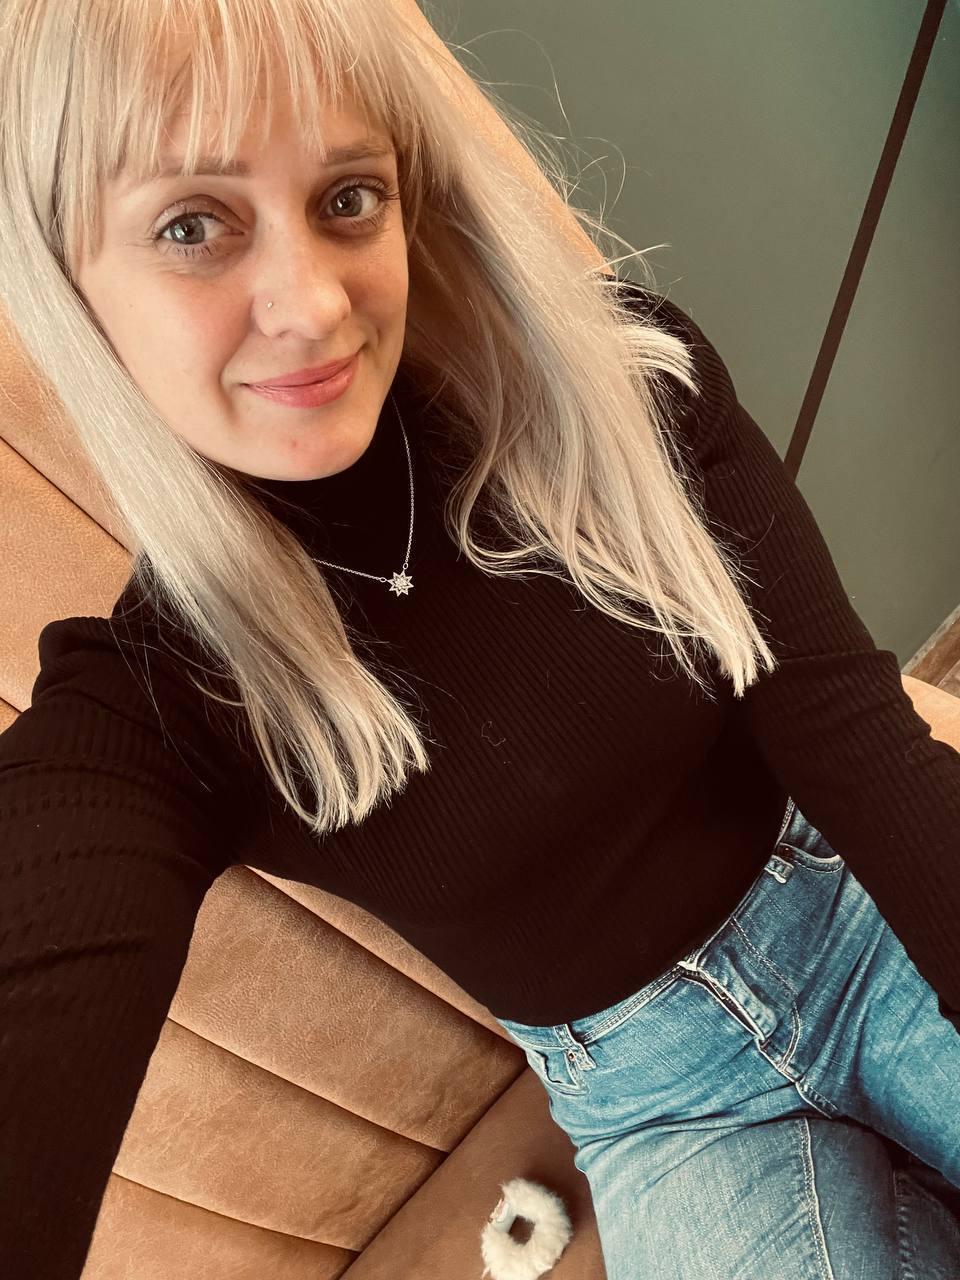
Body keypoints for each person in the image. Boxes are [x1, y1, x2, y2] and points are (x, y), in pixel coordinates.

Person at [0, 1, 958, 1277]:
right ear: (71, 283)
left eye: (348, 197)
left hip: (855, 907)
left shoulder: (623, 385)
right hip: (661, 1101)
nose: (313, 304)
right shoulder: (155, 697)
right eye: (192, 225)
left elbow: (854, 731)